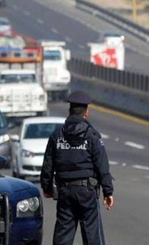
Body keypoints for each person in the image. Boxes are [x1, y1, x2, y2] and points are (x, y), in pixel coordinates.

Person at [40, 90, 114, 245]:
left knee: (63, 235)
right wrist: (108, 191)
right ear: (86, 113)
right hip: (87, 192)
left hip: (65, 192)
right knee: (92, 235)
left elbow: (48, 165)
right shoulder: (92, 136)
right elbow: (102, 165)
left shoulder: (56, 136)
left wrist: (47, 188)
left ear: (69, 111)